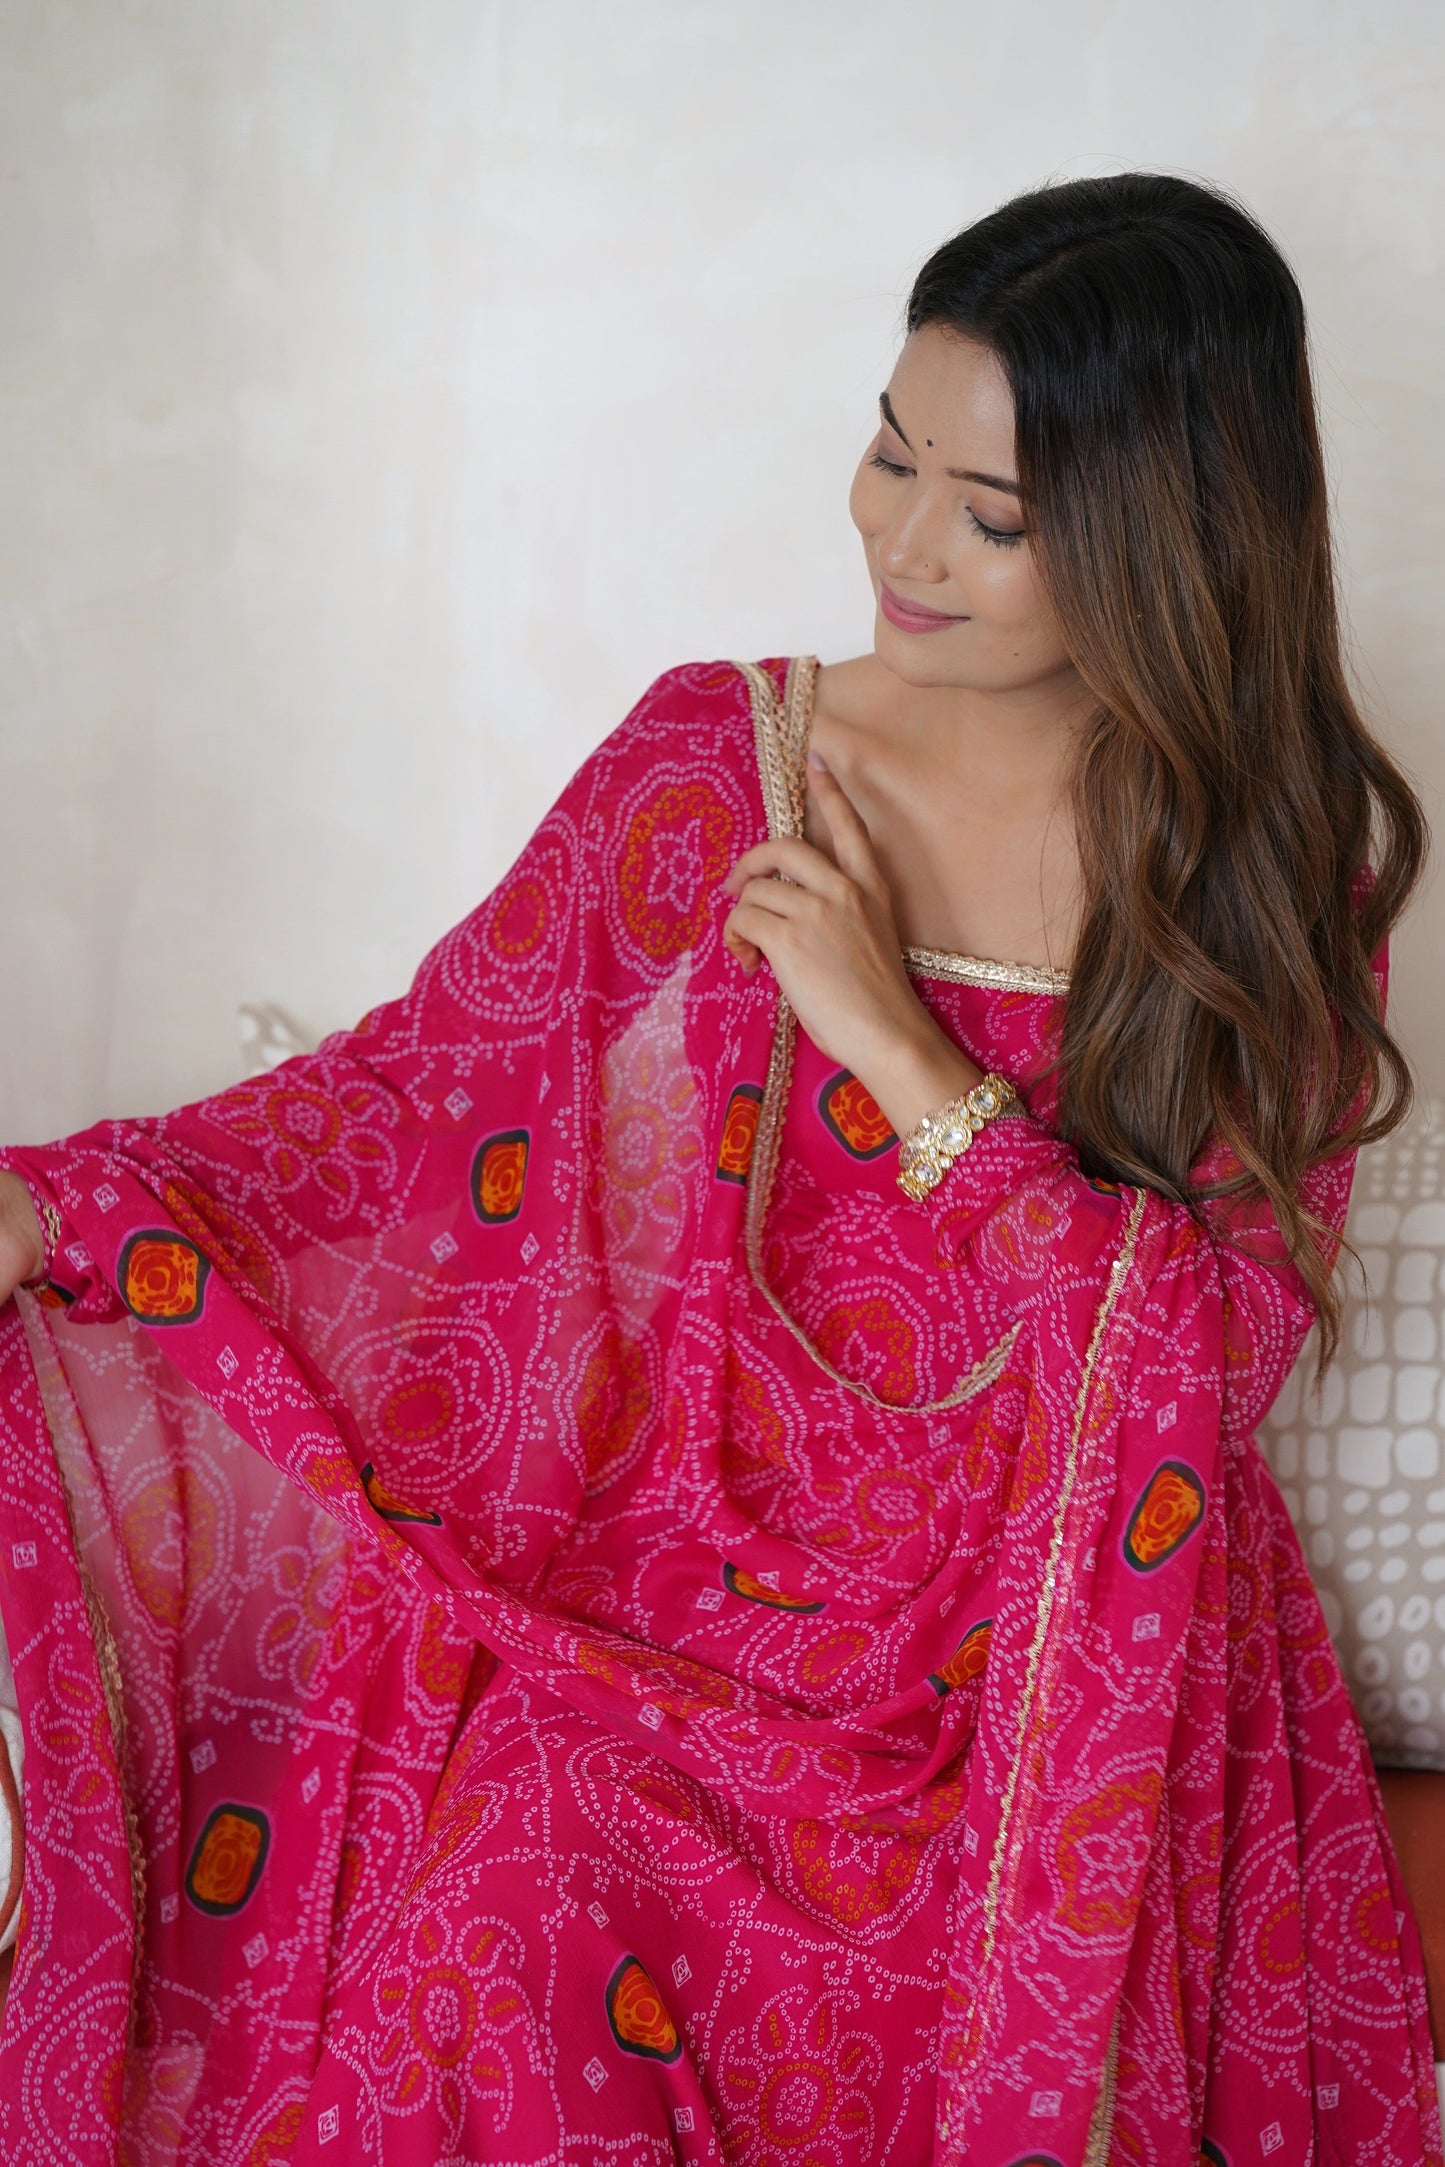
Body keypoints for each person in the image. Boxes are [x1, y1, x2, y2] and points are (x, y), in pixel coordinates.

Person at [0, 170, 1436, 2167]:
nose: (901, 542)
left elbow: (1201, 1370)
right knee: (494, 1916)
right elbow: (418, 1094)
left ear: (1163, 529)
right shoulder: (720, 760)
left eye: (992, 514)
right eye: (889, 453)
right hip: (703, 1579)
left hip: (1075, 1632)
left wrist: (898, 1048)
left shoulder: (1272, 871)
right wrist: (70, 1205)